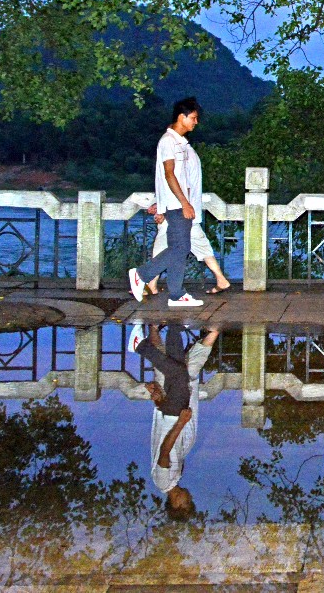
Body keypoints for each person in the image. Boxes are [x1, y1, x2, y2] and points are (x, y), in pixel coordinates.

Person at [130, 322, 219, 520]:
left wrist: (181, 422)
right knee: (176, 365)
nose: (189, 497)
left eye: (187, 502)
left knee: (178, 373)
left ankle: (140, 346)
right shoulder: (175, 479)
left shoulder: (163, 483)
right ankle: (173, 326)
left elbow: (164, 451)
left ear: (177, 504)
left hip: (173, 416)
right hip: (170, 414)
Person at [129, 98, 206, 308]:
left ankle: (176, 293)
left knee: (179, 248)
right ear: (182, 116)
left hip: (179, 203)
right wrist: (184, 203)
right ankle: (141, 274)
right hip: (177, 204)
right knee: (180, 247)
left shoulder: (180, 142)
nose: (195, 122)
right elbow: (169, 174)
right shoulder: (168, 141)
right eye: (193, 118)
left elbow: (184, 178)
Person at [146, 211, 230, 296]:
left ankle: (152, 285)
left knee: (159, 253)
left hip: (171, 222)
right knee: (205, 252)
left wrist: (161, 210)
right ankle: (221, 279)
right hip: (192, 220)